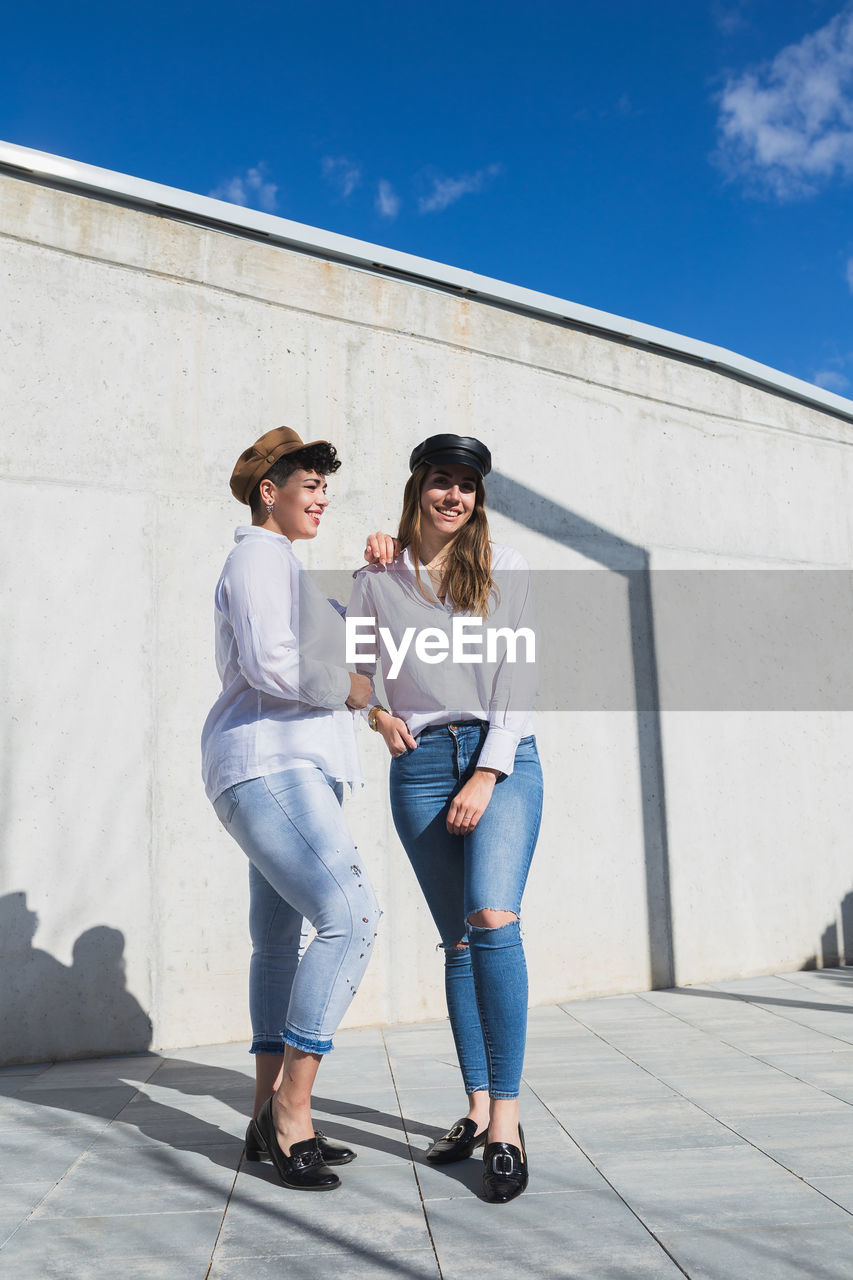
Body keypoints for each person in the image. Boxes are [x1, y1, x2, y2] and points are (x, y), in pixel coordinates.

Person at [348, 434, 542, 1203]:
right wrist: (378, 717)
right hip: (421, 765)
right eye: (441, 482)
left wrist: (489, 770)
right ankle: (472, 1108)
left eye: (466, 485)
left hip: (503, 759)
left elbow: (517, 675)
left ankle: (505, 1119)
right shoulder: (376, 575)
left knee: (493, 918)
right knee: (459, 941)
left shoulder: (504, 569)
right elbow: (355, 666)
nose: (454, 496)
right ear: (417, 489)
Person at [201, 427, 381, 1192]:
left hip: (280, 766)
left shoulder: (283, 568)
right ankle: (291, 1110)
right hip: (270, 764)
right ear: (266, 491)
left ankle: (261, 1116)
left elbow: (340, 641)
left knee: (277, 942)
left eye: (323, 487)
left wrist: (373, 585)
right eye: (308, 485)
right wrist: (350, 689)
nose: (322, 498)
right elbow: (274, 665)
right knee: (353, 915)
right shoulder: (257, 556)